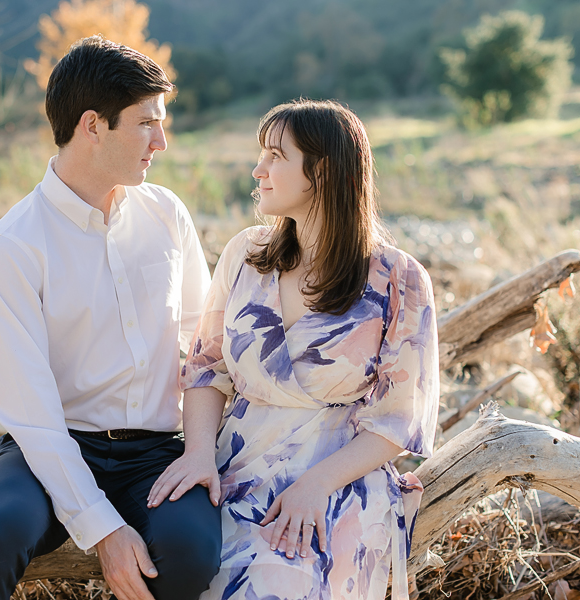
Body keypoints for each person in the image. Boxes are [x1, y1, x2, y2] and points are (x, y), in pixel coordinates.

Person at [0, 36, 221, 600]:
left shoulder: (166, 214)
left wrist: (201, 450)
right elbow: (30, 411)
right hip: (52, 446)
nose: (161, 142)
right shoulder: (13, 245)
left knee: (191, 554)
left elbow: (206, 345)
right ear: (92, 125)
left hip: (157, 452)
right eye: (146, 124)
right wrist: (103, 529)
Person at [147, 99, 439, 600]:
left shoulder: (399, 279)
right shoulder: (246, 255)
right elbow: (206, 367)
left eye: (276, 156)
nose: (258, 170)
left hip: (336, 477)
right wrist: (197, 454)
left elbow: (398, 421)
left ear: (322, 171)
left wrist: (315, 486)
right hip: (234, 467)